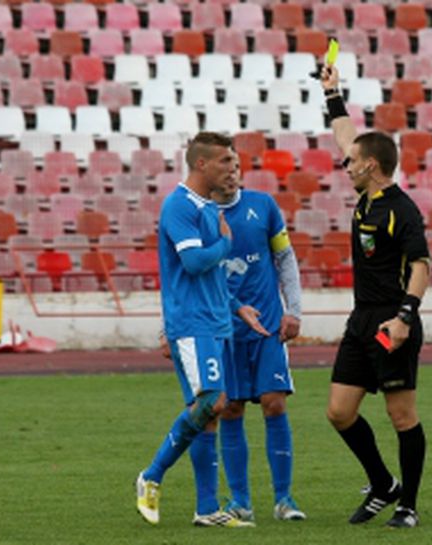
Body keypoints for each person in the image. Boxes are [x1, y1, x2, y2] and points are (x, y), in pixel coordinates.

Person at [318, 63, 431, 528]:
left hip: (391, 322)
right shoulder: (365, 194)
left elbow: (421, 266)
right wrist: (332, 93)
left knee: (400, 415)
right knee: (339, 412)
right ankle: (384, 485)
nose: (345, 164)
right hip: (362, 319)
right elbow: (346, 136)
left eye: (351, 161)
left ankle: (408, 506)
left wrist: (404, 319)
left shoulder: (402, 211)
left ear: (372, 165)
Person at [136, 132, 264, 528]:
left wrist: (236, 306)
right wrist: (225, 245)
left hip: (217, 320)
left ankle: (207, 509)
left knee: (210, 412)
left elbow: (210, 276)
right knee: (212, 401)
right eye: (226, 161)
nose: (233, 168)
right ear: (202, 164)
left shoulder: (208, 209)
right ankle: (151, 475)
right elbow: (192, 262)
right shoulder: (179, 205)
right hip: (191, 323)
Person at [207, 156, 307, 523]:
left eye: (236, 166)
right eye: (226, 166)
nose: (232, 173)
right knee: (230, 408)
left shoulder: (263, 206)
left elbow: (285, 258)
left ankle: (284, 499)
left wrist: (293, 309)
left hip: (267, 325)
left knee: (274, 403)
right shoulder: (199, 216)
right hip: (223, 330)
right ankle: (240, 502)